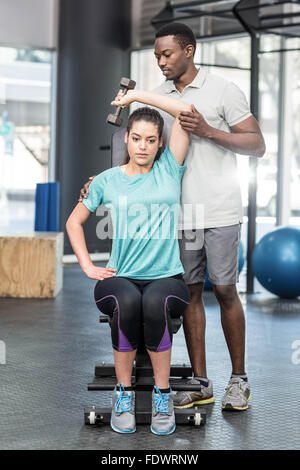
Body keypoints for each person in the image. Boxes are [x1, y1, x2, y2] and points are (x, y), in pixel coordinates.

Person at [79, 23, 266, 412]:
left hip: (218, 208)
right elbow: (141, 151)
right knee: (192, 294)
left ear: (189, 51)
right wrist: (105, 182)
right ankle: (201, 383)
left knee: (227, 290)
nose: (161, 62)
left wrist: (212, 132)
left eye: (167, 54)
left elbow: (257, 144)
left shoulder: (223, 90)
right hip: (175, 217)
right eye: (157, 56)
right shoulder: (160, 98)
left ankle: (239, 379)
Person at [66, 88, 193, 435]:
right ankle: (122, 393)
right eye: (136, 138)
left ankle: (162, 395)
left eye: (150, 140)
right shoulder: (106, 180)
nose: (142, 146)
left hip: (167, 277)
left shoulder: (170, 169)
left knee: (154, 302)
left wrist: (137, 96)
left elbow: (185, 110)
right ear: (126, 139)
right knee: (127, 301)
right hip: (119, 275)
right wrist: (87, 266)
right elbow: (73, 222)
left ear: (160, 143)